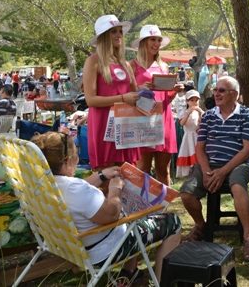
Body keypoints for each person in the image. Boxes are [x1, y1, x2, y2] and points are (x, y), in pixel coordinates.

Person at [31, 131, 181, 282]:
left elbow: (78, 193)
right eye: (76, 154)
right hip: (105, 251)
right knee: (173, 221)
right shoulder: (74, 189)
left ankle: (129, 273)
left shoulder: (42, 184)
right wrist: (115, 191)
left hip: (74, 248)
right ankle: (162, 280)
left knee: (131, 216)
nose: (77, 158)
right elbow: (111, 214)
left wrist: (102, 175)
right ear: (67, 160)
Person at [180, 76, 249, 261]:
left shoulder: (247, 115)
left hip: (239, 163)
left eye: (222, 90)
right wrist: (207, 172)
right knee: (186, 193)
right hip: (210, 164)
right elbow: (200, 148)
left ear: (235, 94)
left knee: (238, 186)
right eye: (216, 90)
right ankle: (201, 226)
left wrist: (223, 171)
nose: (216, 93)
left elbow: (247, 148)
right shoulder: (208, 115)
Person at [83, 14, 141, 169]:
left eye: (120, 31)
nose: (118, 35)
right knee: (106, 176)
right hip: (103, 124)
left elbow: (135, 93)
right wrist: (123, 98)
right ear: (103, 36)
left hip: (125, 123)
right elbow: (90, 100)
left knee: (128, 174)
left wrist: (153, 89)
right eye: (113, 31)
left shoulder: (125, 64)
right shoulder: (93, 61)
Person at [131, 24, 182, 187]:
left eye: (158, 40)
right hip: (142, 121)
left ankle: (163, 209)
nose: (156, 43)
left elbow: (166, 98)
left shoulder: (164, 66)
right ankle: (141, 209)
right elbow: (125, 94)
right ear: (143, 42)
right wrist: (139, 89)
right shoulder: (132, 66)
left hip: (164, 120)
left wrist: (175, 91)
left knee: (163, 170)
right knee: (142, 169)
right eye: (152, 39)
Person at [176, 90, 203, 178]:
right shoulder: (184, 112)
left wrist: (200, 113)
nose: (194, 102)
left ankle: (199, 171)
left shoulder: (199, 112)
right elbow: (182, 123)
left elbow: (201, 124)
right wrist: (188, 113)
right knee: (190, 151)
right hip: (188, 137)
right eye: (192, 100)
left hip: (198, 137)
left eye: (196, 100)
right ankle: (190, 172)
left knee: (199, 154)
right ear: (187, 101)